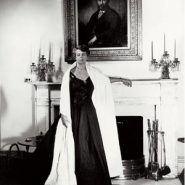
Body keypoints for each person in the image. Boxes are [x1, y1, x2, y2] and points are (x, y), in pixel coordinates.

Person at [25, 45, 132, 185]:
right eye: (78, 55)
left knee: (92, 144)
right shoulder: (69, 73)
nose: (80, 58)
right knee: (76, 143)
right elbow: (64, 95)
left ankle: (92, 177)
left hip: (89, 112)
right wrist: (63, 113)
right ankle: (77, 176)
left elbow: (105, 80)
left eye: (83, 55)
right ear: (75, 57)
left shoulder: (93, 72)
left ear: (87, 56)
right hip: (74, 113)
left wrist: (121, 79)